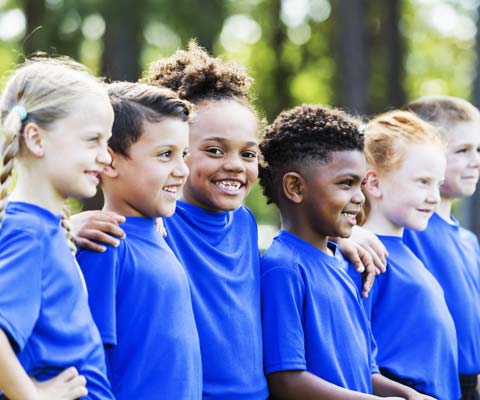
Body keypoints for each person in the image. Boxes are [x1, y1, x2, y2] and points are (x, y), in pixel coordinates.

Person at [72, 41, 379, 400]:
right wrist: (68, 227)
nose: (234, 164)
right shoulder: (159, 222)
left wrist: (345, 234)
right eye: (214, 150)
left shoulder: (246, 223)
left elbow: (301, 240)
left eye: (248, 153)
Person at [258, 104, 434, 400]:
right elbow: (287, 381)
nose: (359, 197)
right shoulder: (283, 269)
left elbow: (367, 372)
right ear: (295, 188)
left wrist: (409, 395)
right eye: (346, 184)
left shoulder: (349, 265)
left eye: (361, 184)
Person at [76, 81, 202, 399]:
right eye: (165, 155)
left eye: (183, 154)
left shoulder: (161, 234)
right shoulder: (104, 245)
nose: (183, 170)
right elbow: (90, 370)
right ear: (109, 160)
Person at [0, 57, 115, 400]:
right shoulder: (27, 232)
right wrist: (33, 397)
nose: (106, 157)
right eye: (92, 140)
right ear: (36, 139)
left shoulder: (44, 230)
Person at [354, 109, 459, 399]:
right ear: (373, 183)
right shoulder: (364, 257)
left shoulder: (411, 252)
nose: (434, 197)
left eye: (437, 184)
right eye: (422, 182)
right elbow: (353, 361)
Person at [402, 96, 480, 400]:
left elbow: (476, 336)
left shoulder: (469, 242)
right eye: (462, 150)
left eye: (478, 149)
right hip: (427, 387)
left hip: (469, 389)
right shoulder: (406, 230)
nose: (476, 161)